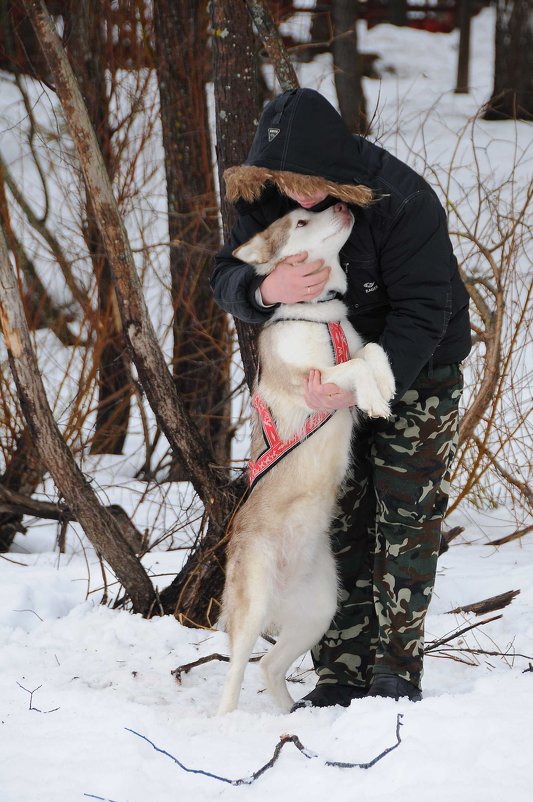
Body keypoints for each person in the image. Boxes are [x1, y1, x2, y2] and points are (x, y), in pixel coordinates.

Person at [211, 88, 471, 708]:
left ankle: (395, 669)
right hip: (320, 382)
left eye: (310, 181)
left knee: (405, 517)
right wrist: (264, 288)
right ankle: (340, 669)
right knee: (340, 517)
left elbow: (425, 310)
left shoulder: (402, 200)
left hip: (416, 364)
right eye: (286, 181)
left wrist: (357, 379)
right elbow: (227, 273)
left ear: (337, 164)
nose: (299, 195)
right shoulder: (267, 195)